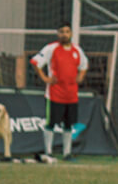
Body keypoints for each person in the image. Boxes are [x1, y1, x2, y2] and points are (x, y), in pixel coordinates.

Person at [30, 23, 88, 162]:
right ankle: (48, 152)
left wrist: (80, 76)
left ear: (71, 33)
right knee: (51, 123)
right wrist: (45, 78)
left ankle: (67, 154)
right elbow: (35, 62)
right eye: (62, 31)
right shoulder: (51, 48)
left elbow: (84, 65)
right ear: (58, 33)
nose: (64, 34)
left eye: (67, 31)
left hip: (71, 95)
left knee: (68, 125)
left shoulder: (77, 50)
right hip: (54, 94)